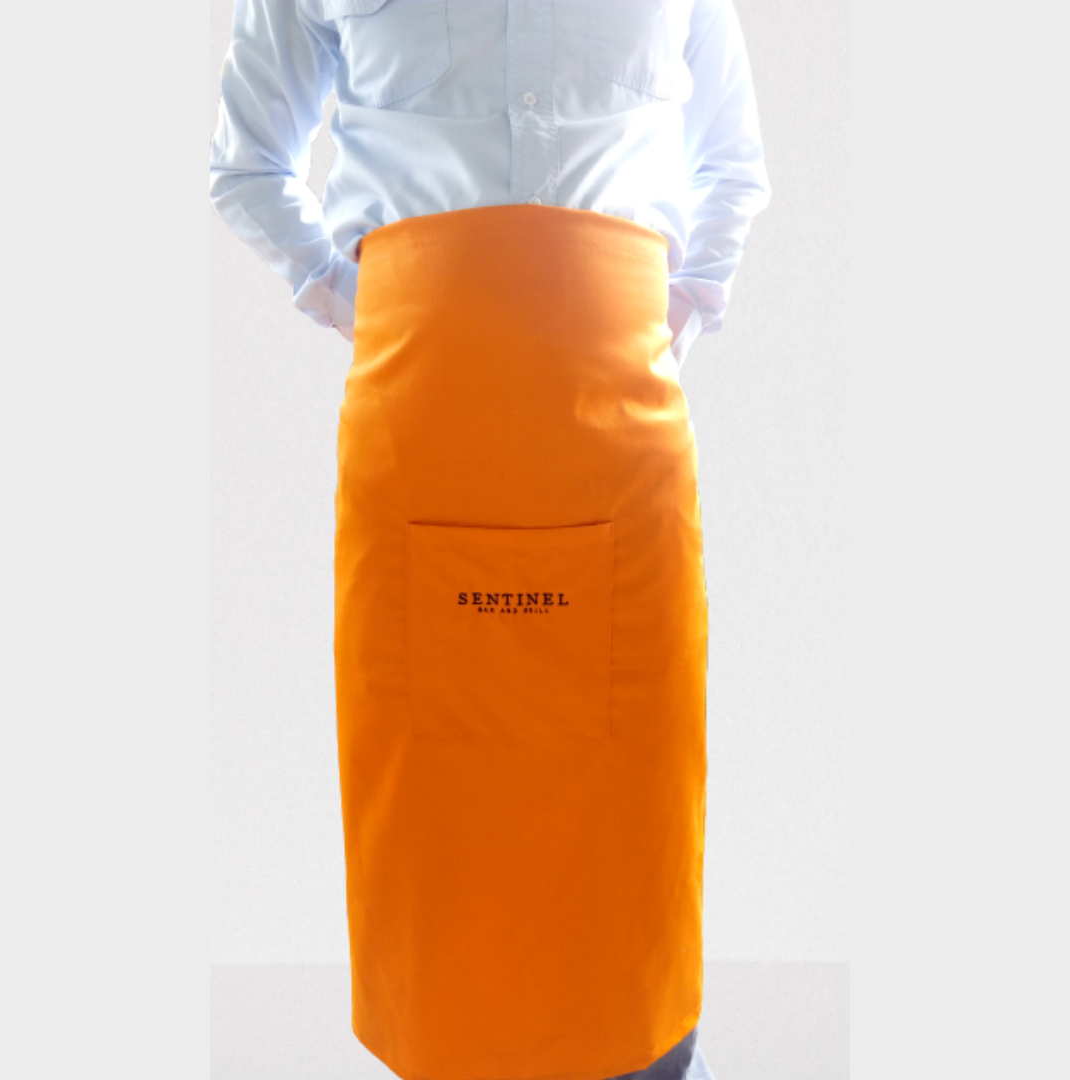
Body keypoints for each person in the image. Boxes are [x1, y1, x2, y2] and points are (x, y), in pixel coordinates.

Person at [209, 3, 769, 1079]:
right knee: (435, 802)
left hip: (622, 436)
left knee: (633, 798)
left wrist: (683, 306)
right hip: (421, 421)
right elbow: (247, 166)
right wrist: (366, 302)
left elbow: (731, 165)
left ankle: (649, 1058)